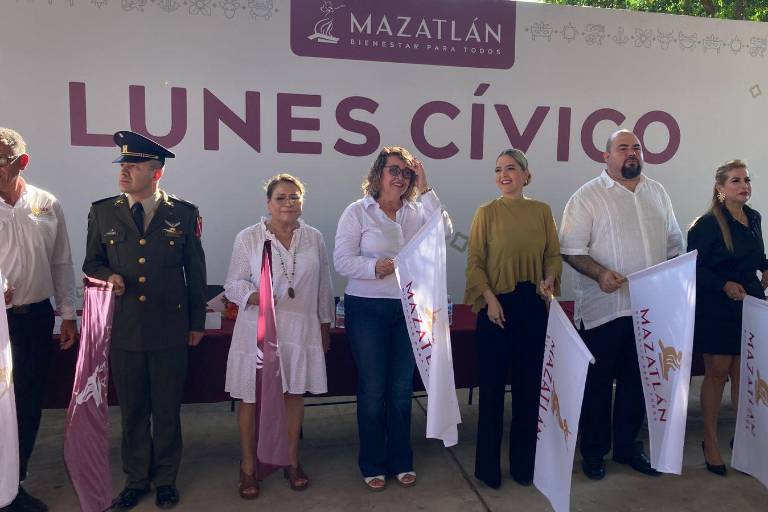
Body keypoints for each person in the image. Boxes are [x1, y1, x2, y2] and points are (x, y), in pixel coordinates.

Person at [83, 131, 207, 510]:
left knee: (167, 409)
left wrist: (197, 323)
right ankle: (136, 479)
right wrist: (109, 276)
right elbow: (92, 263)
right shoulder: (103, 211)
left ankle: (166, 478)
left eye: (133, 166)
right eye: (122, 165)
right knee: (133, 411)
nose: (123, 172)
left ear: (156, 173)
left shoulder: (183, 213)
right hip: (125, 329)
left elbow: (195, 272)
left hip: (169, 327)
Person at [559, 129, 684, 480]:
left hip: (648, 310)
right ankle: (594, 452)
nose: (632, 153)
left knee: (637, 383)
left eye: (636, 148)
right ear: (606, 156)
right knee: (597, 386)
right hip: (604, 310)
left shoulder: (657, 192)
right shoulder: (587, 196)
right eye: (623, 147)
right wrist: (599, 273)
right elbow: (571, 250)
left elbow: (674, 245)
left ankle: (628, 448)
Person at [334, 146, 452, 491]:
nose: (400, 177)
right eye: (394, 170)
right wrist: (375, 267)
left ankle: (401, 459)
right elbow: (342, 260)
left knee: (401, 389)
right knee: (373, 389)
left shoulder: (417, 211)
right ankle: (372, 462)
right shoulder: (357, 212)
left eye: (407, 173)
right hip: (366, 308)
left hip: (409, 309)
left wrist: (426, 187)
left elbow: (445, 232)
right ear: (379, 174)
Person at [223, 173, 333, 498]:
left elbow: (324, 286)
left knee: (293, 395)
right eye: (281, 198)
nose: (288, 203)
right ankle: (248, 467)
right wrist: (256, 296)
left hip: (301, 331)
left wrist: (325, 326)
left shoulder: (314, 237)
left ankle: (291, 461)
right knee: (251, 399)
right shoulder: (249, 237)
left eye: (294, 197)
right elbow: (233, 284)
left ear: (302, 202)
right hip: (257, 332)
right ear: (268, 203)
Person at [464, 148, 562, 489]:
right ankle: (488, 469)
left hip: (532, 307)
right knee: (491, 392)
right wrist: (489, 299)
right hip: (495, 308)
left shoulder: (542, 211)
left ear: (525, 174)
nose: (503, 174)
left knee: (528, 391)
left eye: (510, 168)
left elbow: (553, 254)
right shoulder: (486, 213)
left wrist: (550, 278)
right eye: (498, 169)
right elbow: (474, 261)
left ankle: (524, 466)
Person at [0, 127, 77, 512]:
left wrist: (68, 313)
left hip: (34, 320)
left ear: (21, 162)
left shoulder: (47, 203)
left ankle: (14, 486)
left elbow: (61, 261)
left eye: (0, 160)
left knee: (28, 404)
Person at [687, 160, 768, 476]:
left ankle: (744, 441)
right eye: (736, 181)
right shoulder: (706, 225)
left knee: (745, 374)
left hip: (750, 304)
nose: (744, 185)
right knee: (717, 373)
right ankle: (710, 441)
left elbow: (756, 257)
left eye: (746, 180)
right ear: (720, 188)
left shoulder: (754, 218)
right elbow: (694, 268)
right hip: (717, 306)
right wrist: (723, 285)